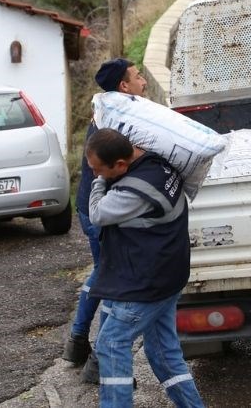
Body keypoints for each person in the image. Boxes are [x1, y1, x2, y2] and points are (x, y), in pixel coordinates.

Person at [86, 128, 204, 408]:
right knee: (164, 354)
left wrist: (99, 185)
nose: (94, 174)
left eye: (98, 170)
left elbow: (97, 214)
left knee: (111, 344)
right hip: (167, 277)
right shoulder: (158, 162)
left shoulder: (136, 190)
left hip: (146, 284)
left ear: (120, 165)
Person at [62, 58, 148, 376]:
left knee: (103, 272)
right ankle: (97, 360)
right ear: (124, 86)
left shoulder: (110, 111)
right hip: (99, 208)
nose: (145, 81)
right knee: (112, 277)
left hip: (90, 204)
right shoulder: (118, 121)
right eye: (138, 77)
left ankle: (77, 342)